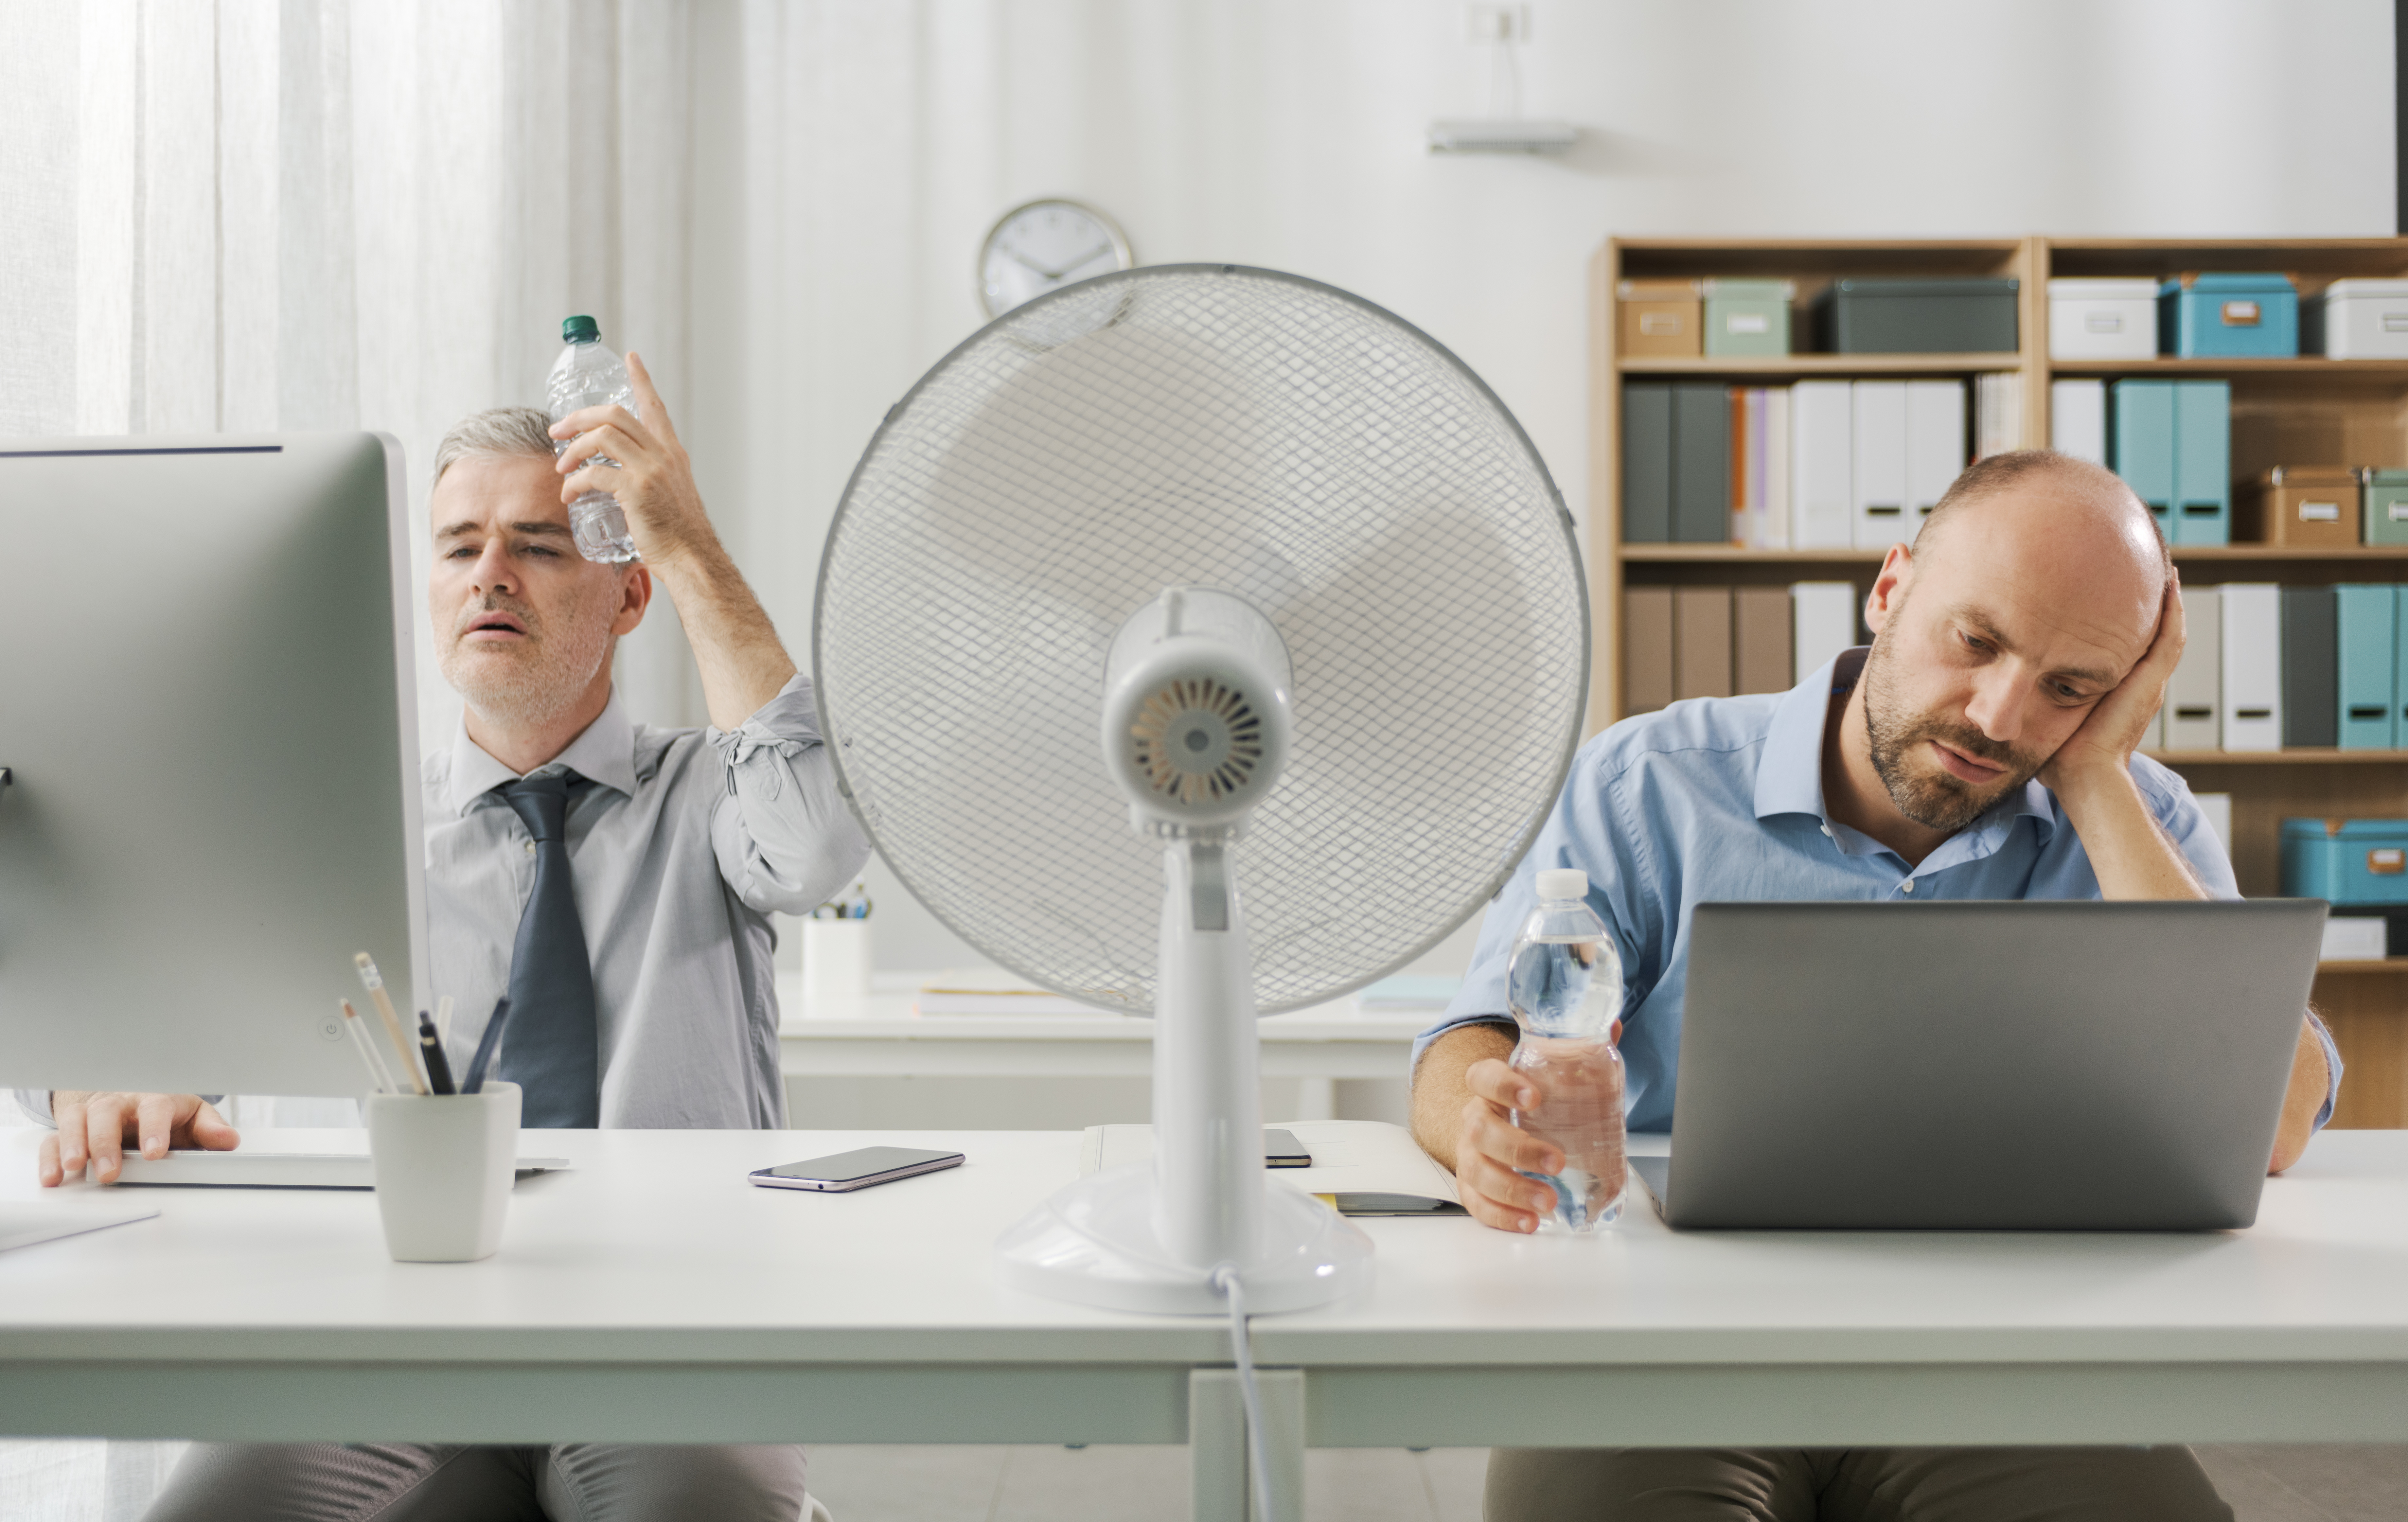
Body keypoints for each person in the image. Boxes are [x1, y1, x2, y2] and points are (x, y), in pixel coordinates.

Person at [1411, 451, 2338, 1522]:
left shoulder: (2140, 819)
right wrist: (1479, 1124)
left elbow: (2274, 1121)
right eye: (1977, 642)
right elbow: (1468, 1038)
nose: (2000, 716)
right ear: (1892, 587)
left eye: (2070, 687)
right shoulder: (1647, 781)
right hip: (1668, 1349)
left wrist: (2094, 778)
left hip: (2013, 1366)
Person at [31, 358, 863, 1522]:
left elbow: (819, 841)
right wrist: (108, 1076)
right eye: (459, 546)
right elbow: (141, 1004)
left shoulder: (711, 792)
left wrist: (682, 541)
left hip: (668, 1327)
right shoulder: (339, 817)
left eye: (541, 545)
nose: (491, 575)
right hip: (388, 1342)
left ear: (630, 597)